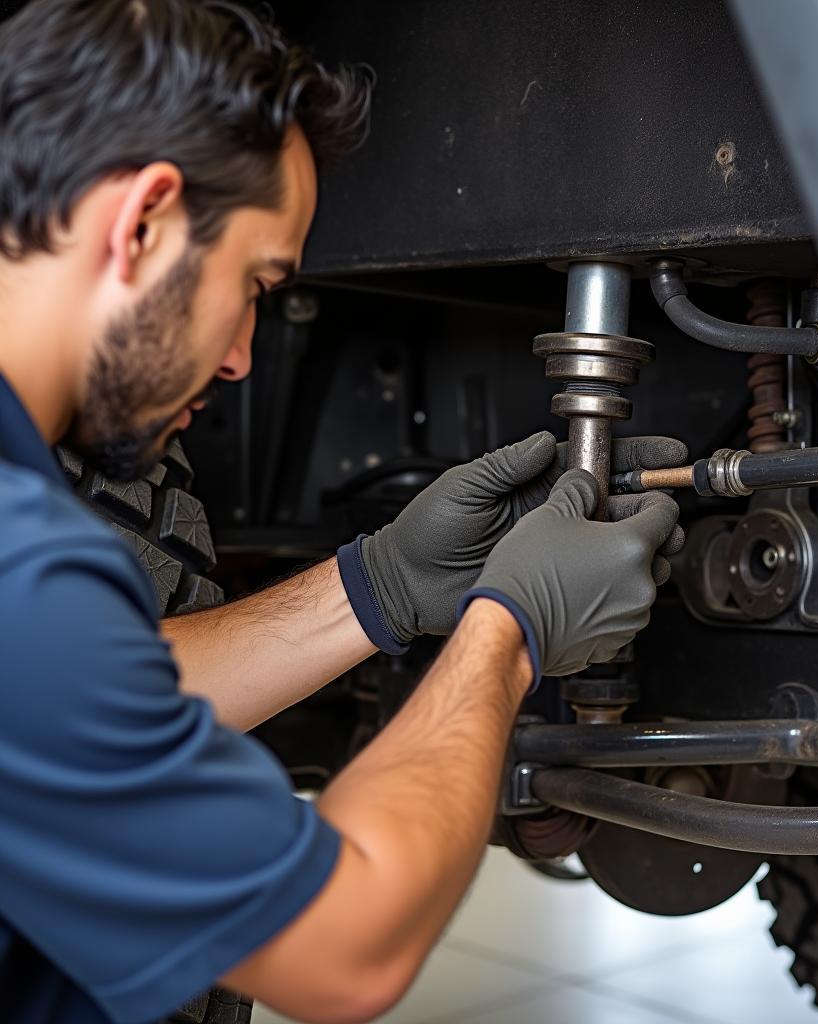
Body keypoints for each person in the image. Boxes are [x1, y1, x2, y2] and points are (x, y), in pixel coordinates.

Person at [0, 2, 686, 1022]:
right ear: (141, 220)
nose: (239, 356)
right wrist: (512, 630)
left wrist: (380, 586)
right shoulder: (24, 569)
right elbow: (347, 947)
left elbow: (75, 704)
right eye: (254, 285)